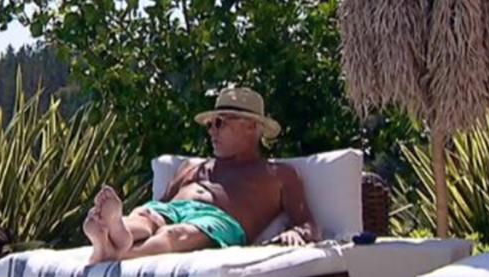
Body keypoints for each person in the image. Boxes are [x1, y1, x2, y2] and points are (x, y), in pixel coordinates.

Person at [83, 87, 319, 264]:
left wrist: (297, 233)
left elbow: (307, 224)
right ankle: (119, 230)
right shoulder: (191, 166)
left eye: (220, 123)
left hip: (218, 221)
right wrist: (149, 215)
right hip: (174, 210)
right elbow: (161, 205)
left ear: (250, 126)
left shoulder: (277, 174)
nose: (212, 131)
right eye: (210, 125)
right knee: (147, 216)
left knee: (175, 233)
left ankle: (116, 252)